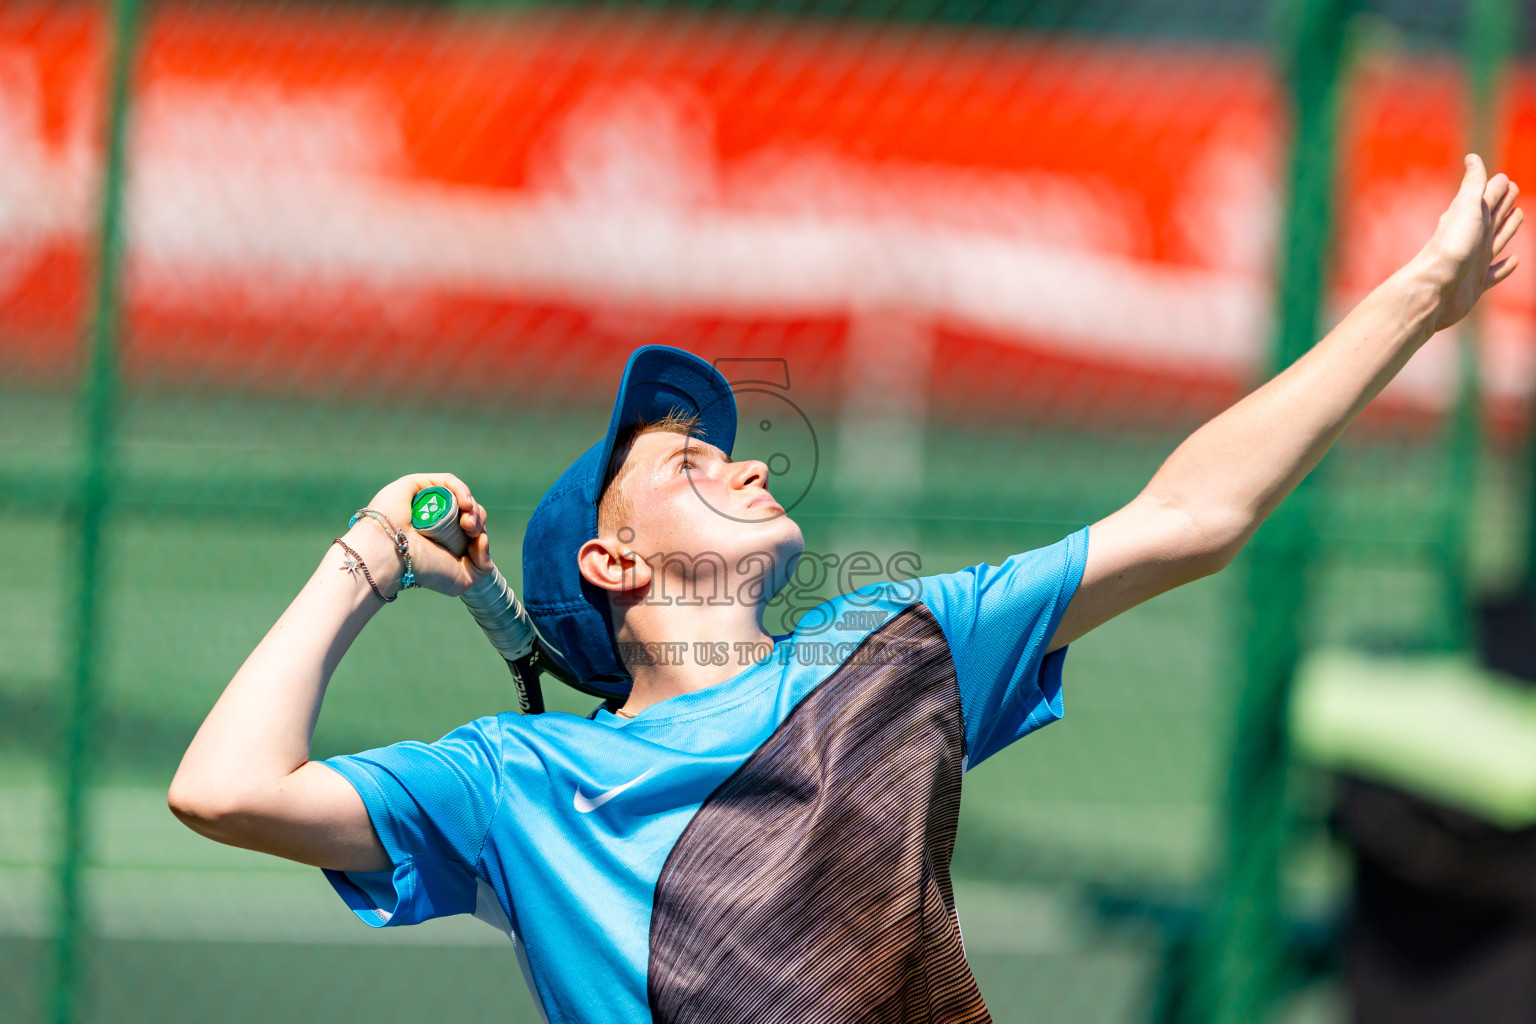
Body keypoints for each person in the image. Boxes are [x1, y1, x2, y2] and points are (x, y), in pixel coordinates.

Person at [169, 156, 1521, 1023]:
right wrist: (367, 554)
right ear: (614, 563)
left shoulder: (893, 645)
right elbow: (227, 788)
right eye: (692, 459)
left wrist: (1417, 298)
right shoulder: (517, 783)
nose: (747, 466)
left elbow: (1193, 514)